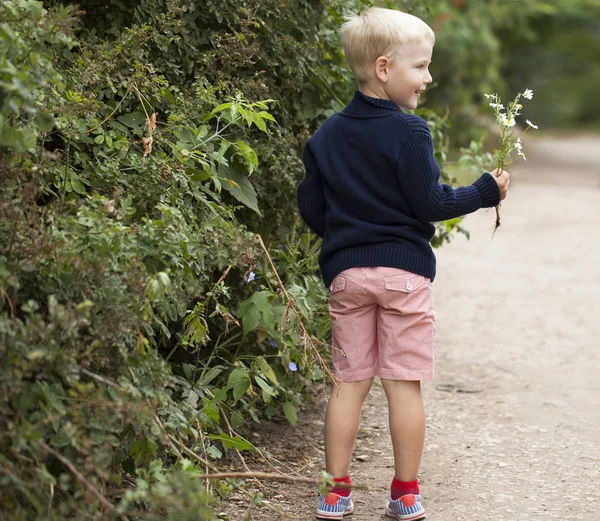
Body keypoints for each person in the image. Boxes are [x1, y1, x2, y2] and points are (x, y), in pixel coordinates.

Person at [296, 6, 510, 521]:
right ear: (385, 68)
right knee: (402, 384)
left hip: (347, 273)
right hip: (404, 276)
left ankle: (336, 492)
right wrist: (484, 190)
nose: (428, 77)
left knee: (349, 383)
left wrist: (347, 237)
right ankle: (405, 493)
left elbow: (311, 208)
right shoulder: (409, 133)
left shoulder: (325, 136)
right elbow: (431, 205)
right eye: (420, 66)